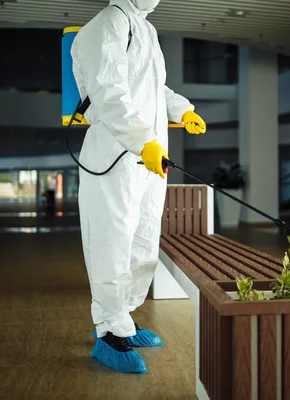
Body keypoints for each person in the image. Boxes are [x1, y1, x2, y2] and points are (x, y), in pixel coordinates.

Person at [70, 0, 206, 373]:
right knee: (111, 241)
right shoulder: (109, 23)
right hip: (115, 155)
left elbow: (153, 88)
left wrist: (183, 110)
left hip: (147, 157)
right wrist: (140, 140)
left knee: (143, 238)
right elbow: (109, 91)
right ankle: (109, 332)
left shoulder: (145, 28)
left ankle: (125, 320)